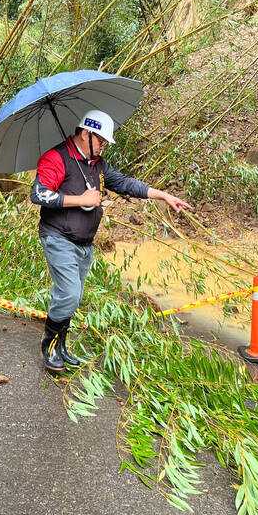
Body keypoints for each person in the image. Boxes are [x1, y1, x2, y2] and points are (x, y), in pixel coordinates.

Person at [30, 109, 192, 372]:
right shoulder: (56, 158)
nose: (104, 147)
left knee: (74, 296)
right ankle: (49, 347)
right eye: (102, 141)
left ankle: (61, 347)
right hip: (58, 236)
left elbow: (125, 183)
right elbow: (38, 194)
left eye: (106, 143)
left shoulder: (97, 164)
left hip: (84, 244)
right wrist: (81, 199)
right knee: (69, 294)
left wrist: (163, 195)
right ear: (86, 134)